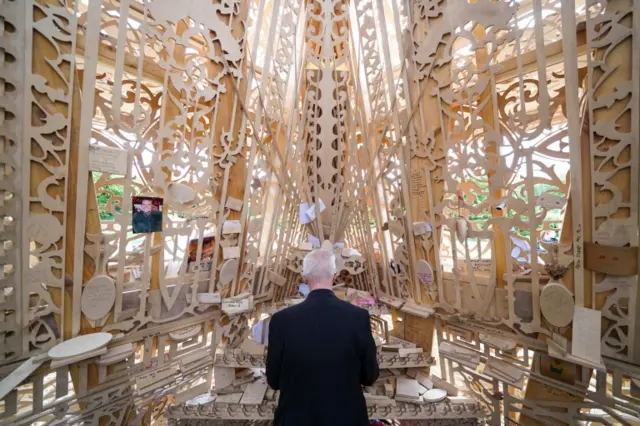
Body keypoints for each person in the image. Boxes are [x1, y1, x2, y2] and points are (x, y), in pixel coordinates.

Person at [266, 249, 379, 426]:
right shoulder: (358, 317)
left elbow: (273, 381)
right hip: (346, 418)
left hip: (296, 419)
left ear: (303, 276)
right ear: (335, 276)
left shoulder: (281, 320)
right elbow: (369, 376)